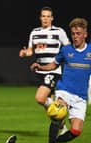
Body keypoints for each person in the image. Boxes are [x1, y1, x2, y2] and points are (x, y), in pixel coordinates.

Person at [30, 17, 91, 143]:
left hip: (80, 97)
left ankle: (56, 141)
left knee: (76, 131)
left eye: (78, 34)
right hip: (64, 91)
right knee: (58, 114)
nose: (75, 37)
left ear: (85, 34)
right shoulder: (66, 50)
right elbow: (53, 65)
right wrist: (41, 67)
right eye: (73, 34)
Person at [19, 6, 70, 134]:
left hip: (53, 70)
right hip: (40, 71)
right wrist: (25, 53)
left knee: (40, 98)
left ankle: (61, 118)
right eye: (43, 16)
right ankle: (61, 125)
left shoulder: (59, 32)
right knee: (49, 102)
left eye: (48, 16)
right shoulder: (34, 32)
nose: (46, 18)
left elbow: (68, 48)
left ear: (52, 18)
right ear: (40, 18)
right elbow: (31, 50)